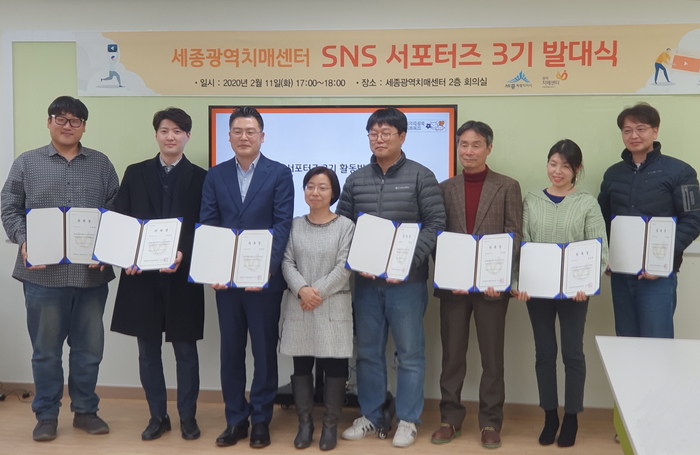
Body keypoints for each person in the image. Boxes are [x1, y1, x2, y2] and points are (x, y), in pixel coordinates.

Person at [1, 96, 119, 442]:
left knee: (89, 350)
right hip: (42, 275)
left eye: (75, 121)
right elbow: (9, 207)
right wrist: (24, 239)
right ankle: (46, 415)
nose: (68, 126)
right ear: (49, 121)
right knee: (46, 352)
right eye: (61, 119)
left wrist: (108, 246)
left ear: (84, 126)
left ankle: (85, 411)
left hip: (90, 275)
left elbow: (115, 211)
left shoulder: (101, 164)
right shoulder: (27, 162)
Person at [337, 107, 445, 448]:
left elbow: (436, 224)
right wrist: (355, 261)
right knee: (368, 352)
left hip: (407, 284)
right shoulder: (356, 179)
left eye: (386, 133)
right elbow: (343, 227)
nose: (379, 139)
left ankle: (408, 419)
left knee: (409, 354)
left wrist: (406, 263)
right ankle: (372, 415)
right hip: (366, 284)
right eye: (373, 133)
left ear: (402, 137)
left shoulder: (421, 176)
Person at [200, 106, 294, 448]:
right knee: (231, 351)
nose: (244, 137)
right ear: (228, 136)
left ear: (262, 136)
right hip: (226, 282)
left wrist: (267, 267)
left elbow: (282, 224)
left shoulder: (279, 173)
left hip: (263, 281)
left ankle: (261, 421)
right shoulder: (215, 175)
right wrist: (214, 268)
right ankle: (235, 420)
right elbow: (209, 222)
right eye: (237, 131)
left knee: (264, 351)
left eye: (250, 131)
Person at [110, 108, 207, 441]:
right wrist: (126, 255)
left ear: (187, 136)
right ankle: (157, 416)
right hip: (142, 276)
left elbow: (205, 224)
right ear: (156, 134)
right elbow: (120, 218)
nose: (170, 136)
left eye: (177, 131)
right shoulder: (135, 172)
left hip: (182, 275)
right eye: (165, 130)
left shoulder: (201, 177)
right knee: (148, 351)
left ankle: (188, 417)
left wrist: (184, 253)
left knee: (186, 352)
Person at [429, 121, 522, 450]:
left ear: (489, 148)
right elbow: (437, 236)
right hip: (453, 288)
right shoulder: (444, 188)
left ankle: (490, 422)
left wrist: (497, 277)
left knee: (492, 358)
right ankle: (449, 419)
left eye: (476, 144)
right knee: (452, 355)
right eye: (463, 144)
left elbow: (515, 234)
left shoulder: (507, 186)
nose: (468, 151)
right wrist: (449, 273)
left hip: (491, 289)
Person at [513, 139, 608, 447]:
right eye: (553, 164)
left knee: (572, 353)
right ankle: (550, 415)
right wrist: (518, 282)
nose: (558, 171)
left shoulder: (587, 203)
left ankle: (572, 418)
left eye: (565, 166)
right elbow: (522, 245)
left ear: (576, 169)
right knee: (544, 353)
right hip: (538, 293)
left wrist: (587, 285)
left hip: (574, 294)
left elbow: (599, 249)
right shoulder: (531, 201)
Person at [598, 102, 700, 339]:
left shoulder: (680, 172)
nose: (633, 135)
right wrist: (605, 256)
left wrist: (660, 259)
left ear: (655, 131)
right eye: (627, 130)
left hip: (658, 276)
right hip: (621, 274)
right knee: (626, 341)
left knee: (657, 342)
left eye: (640, 129)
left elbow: (693, 220)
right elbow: (601, 221)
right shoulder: (613, 174)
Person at [280, 166, 354, 451]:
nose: (315, 192)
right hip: (300, 305)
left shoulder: (346, 226)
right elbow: (286, 261)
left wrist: (316, 292)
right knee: (301, 366)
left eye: (323, 187)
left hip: (332, 304)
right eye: (310, 186)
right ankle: (305, 424)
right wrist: (302, 289)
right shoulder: (294, 225)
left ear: (333, 192)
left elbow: (344, 266)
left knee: (335, 365)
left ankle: (330, 426)